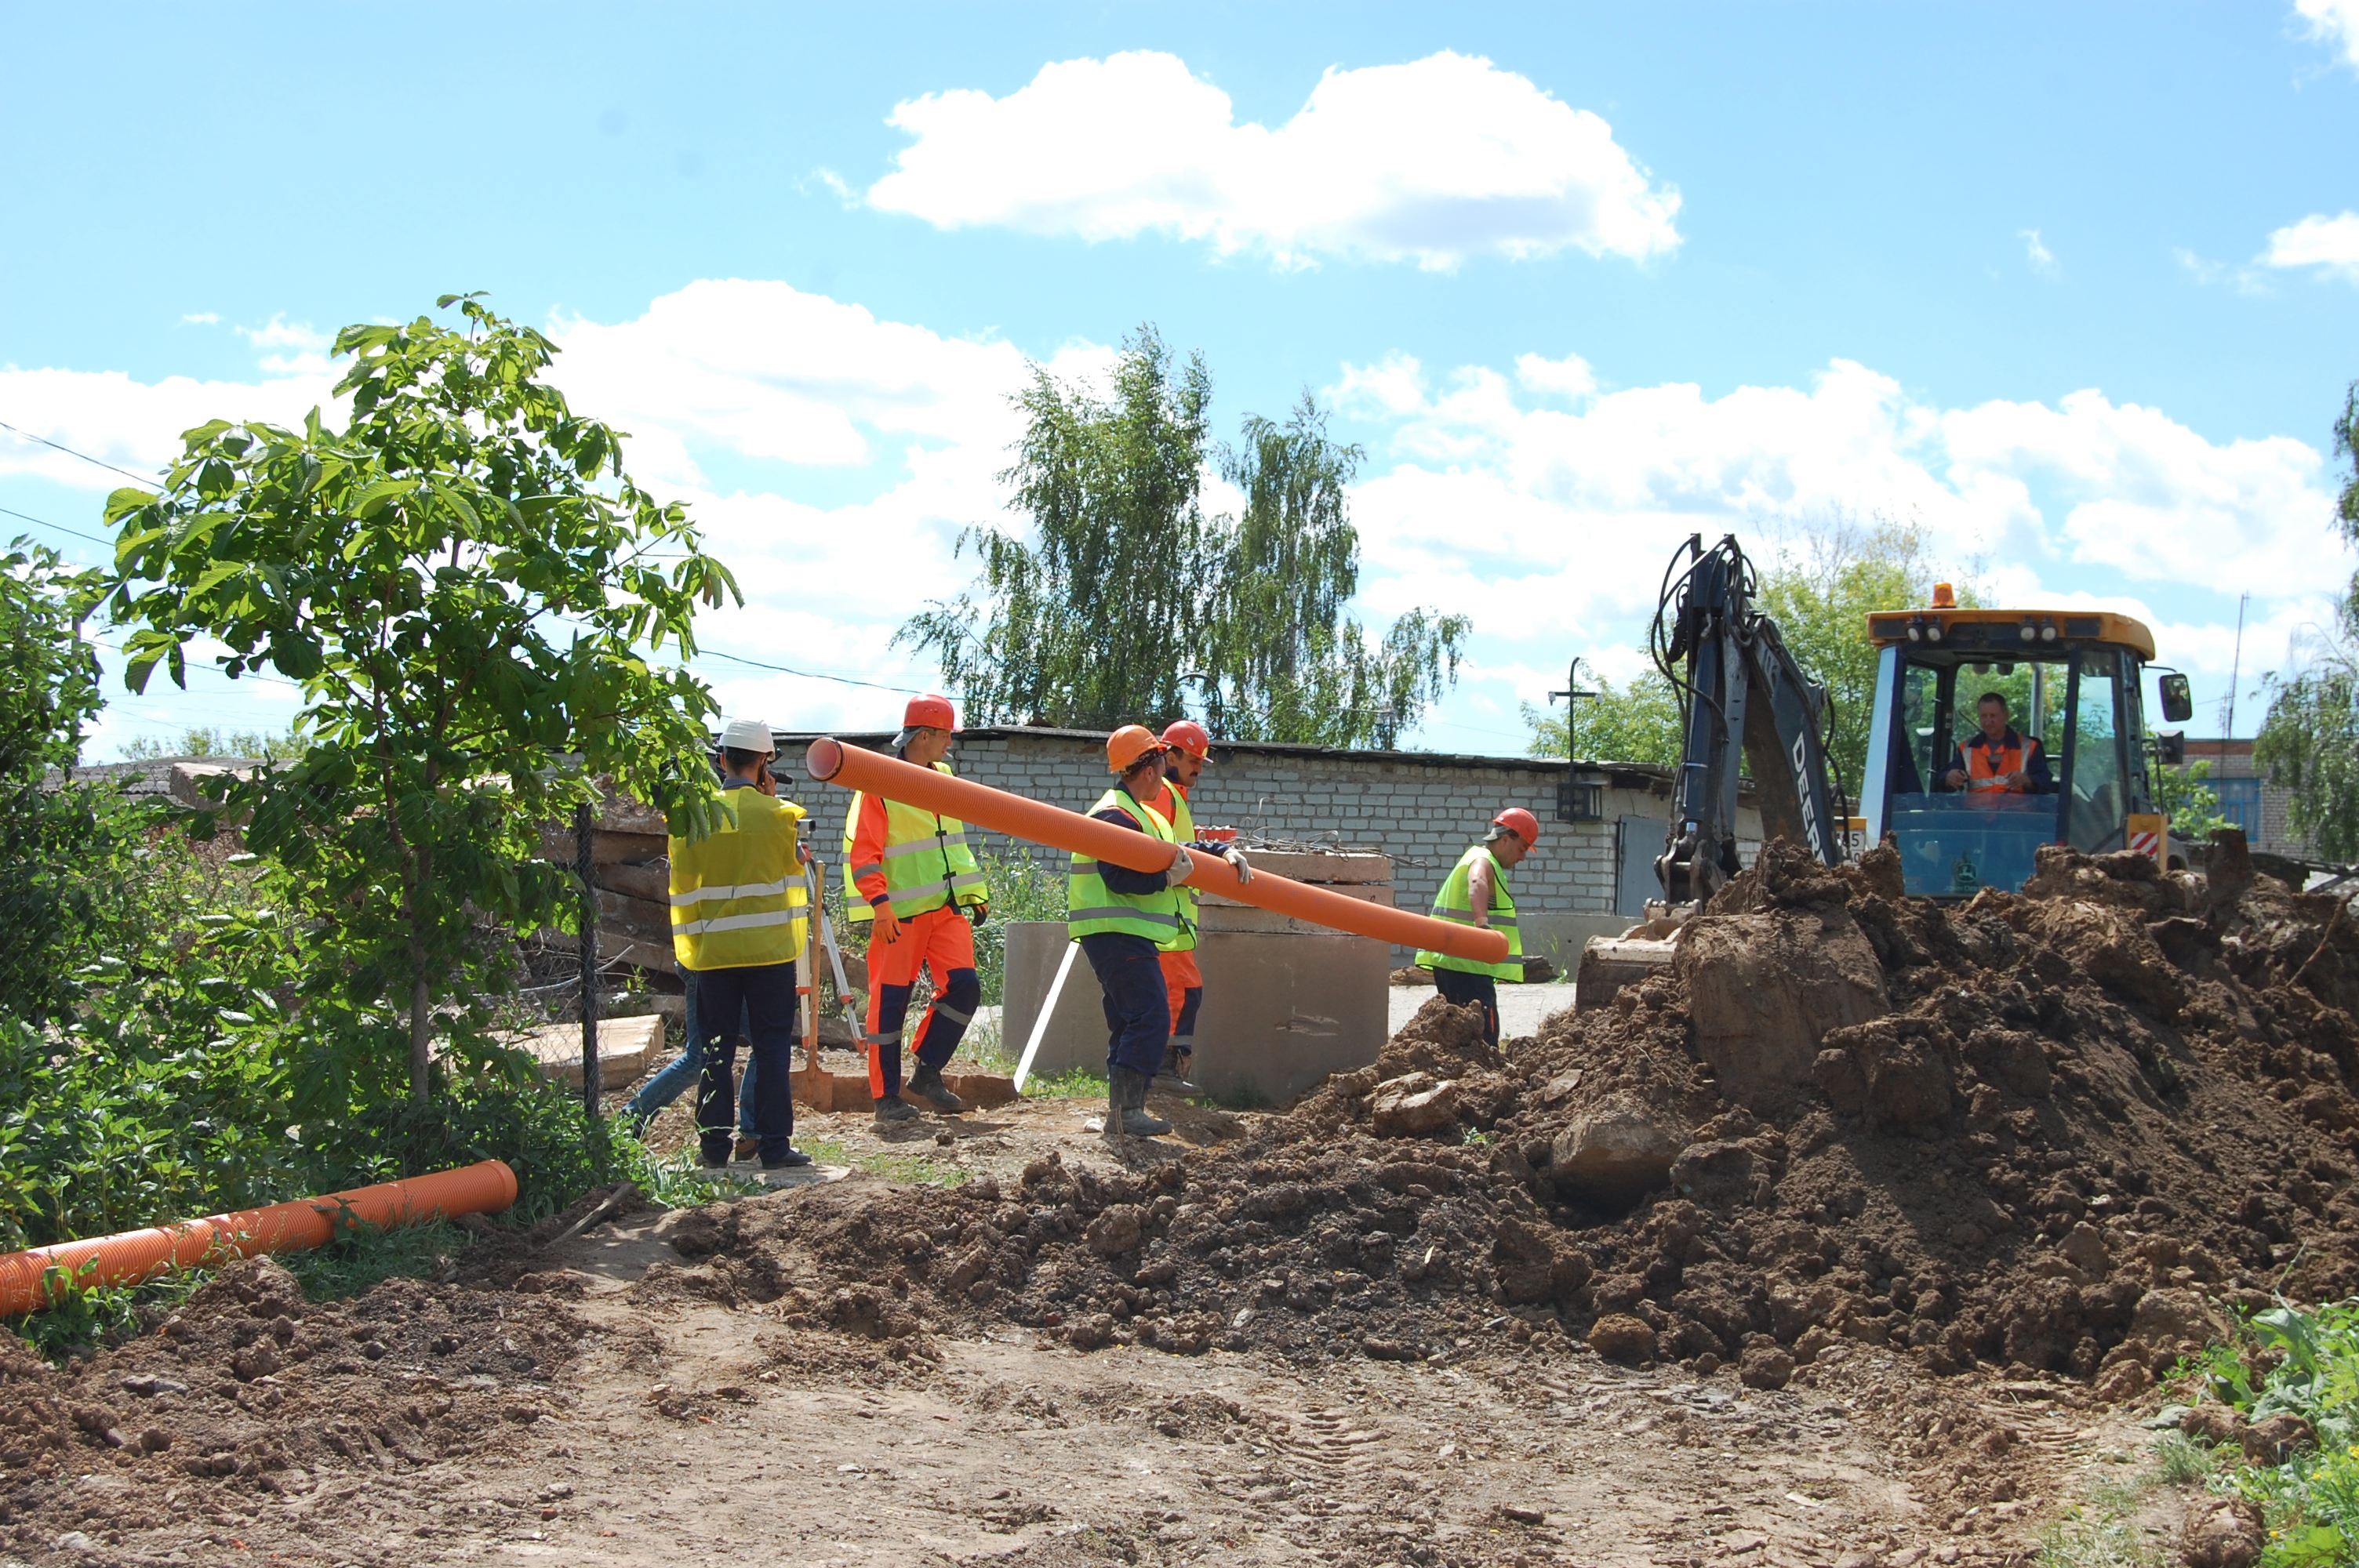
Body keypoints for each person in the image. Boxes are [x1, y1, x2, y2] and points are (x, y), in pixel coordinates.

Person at [1070, 725, 1252, 1138]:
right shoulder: (1114, 814)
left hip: (1124, 932)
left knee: (1129, 1019)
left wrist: (1223, 851)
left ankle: (1122, 1112)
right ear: (1151, 768)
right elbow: (1118, 876)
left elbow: (1178, 851)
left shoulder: (1143, 813)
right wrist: (1166, 882)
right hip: (1116, 930)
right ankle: (1129, 1112)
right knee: (1151, 1016)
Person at [667, 717, 813, 1171]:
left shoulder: (694, 818)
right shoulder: (785, 818)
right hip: (771, 954)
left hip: (714, 955)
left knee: (715, 1048)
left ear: (722, 759)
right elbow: (799, 875)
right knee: (770, 1046)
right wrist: (770, 802)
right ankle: (772, 1147)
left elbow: (681, 881)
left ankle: (713, 1149)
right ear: (766, 762)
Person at [842, 694, 990, 1124]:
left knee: (965, 988)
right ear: (924, 735)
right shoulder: (880, 783)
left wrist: (974, 892)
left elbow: (951, 844)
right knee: (890, 1005)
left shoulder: (944, 776)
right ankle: (886, 1098)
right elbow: (864, 853)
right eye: (946, 735)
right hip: (899, 915)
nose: (950, 744)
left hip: (945, 909)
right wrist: (880, 904)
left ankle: (927, 1072)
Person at [1414, 808, 1538, 1047]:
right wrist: (1482, 925)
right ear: (1505, 840)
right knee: (1481, 1035)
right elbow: (1477, 881)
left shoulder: (1479, 857)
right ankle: (1481, 1081)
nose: (1522, 857)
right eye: (1522, 848)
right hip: (1464, 963)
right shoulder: (1482, 860)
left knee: (1467, 1035)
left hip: (1464, 962)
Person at [1141, 719, 1218, 1090]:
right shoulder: (1163, 794)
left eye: (1202, 762)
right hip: (1164, 920)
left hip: (1172, 919)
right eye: (1193, 760)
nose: (1198, 768)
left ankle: (1163, 1070)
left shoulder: (1174, 796)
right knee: (1181, 993)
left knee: (1181, 992)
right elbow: (1159, 849)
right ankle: (1162, 1071)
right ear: (1169, 754)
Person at [1943, 691, 2053, 796]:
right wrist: (1949, 778)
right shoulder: (1966, 748)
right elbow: (1943, 779)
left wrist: (2027, 780)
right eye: (1984, 716)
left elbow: (2046, 783)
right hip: (1976, 814)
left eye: (1993, 716)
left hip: (2017, 814)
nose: (1988, 721)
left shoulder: (2030, 747)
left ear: (2006, 715)